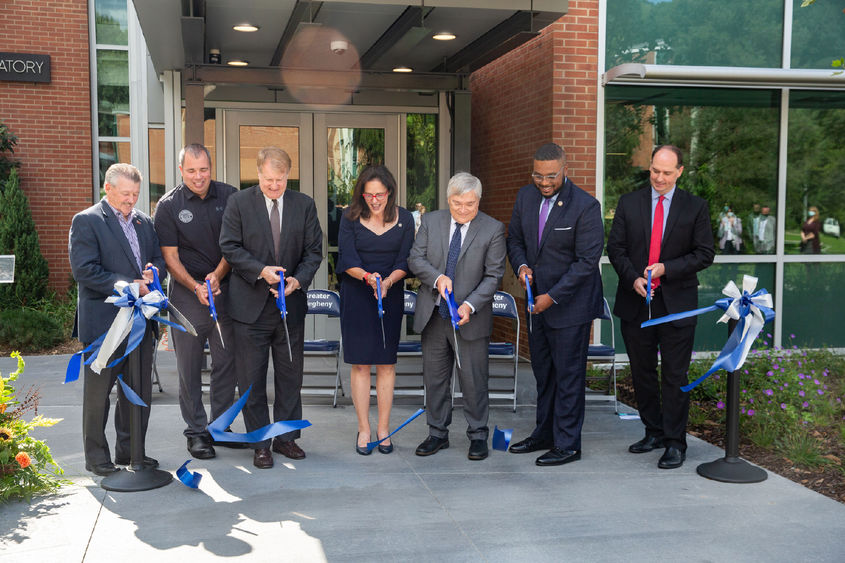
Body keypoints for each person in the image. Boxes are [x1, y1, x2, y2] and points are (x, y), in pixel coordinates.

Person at [606, 145, 714, 470]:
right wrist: (632, 279)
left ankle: (674, 443)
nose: (659, 178)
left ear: (680, 171)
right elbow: (616, 248)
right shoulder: (629, 202)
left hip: (677, 306)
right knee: (641, 374)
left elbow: (704, 253)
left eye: (667, 172)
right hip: (636, 301)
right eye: (655, 170)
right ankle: (652, 431)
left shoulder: (695, 207)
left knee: (674, 375)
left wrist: (666, 268)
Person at [219, 146, 323, 469]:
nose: (273, 186)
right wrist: (260, 270)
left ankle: (287, 439)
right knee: (251, 379)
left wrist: (299, 280)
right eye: (267, 180)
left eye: (279, 180)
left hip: (289, 306)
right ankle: (261, 443)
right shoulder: (239, 203)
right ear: (258, 173)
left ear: (287, 176)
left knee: (290, 376)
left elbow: (314, 251)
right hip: (249, 306)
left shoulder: (304, 205)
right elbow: (229, 246)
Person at [506, 143, 604, 467]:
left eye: (551, 176)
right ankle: (544, 434)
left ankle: (568, 444)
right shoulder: (525, 197)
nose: (544, 183)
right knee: (544, 374)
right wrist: (521, 268)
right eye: (538, 175)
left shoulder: (586, 206)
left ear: (565, 170)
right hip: (536, 305)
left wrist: (552, 297)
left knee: (568, 375)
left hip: (568, 307)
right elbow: (515, 240)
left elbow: (587, 262)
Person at [69, 163, 166, 476]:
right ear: (107, 188)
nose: (131, 200)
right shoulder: (86, 221)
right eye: (126, 193)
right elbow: (84, 270)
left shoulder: (144, 222)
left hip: (140, 324)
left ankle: (132, 452)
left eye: (135, 194)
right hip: (104, 325)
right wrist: (130, 284)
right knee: (99, 397)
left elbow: (158, 261)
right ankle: (97, 459)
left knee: (137, 395)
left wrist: (154, 273)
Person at [154, 143, 243, 460]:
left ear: (211, 167)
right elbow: (169, 257)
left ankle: (220, 427)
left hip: (224, 290)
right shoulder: (167, 206)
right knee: (188, 369)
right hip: (186, 294)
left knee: (226, 363)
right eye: (191, 170)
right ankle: (196, 433)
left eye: (203, 169)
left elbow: (234, 245)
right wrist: (196, 286)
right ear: (181, 170)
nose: (198, 176)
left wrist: (216, 276)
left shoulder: (231, 196)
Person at [408, 172, 506, 461]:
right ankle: (437, 433)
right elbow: (415, 259)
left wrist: (470, 306)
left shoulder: (493, 229)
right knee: (435, 379)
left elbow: (493, 276)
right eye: (457, 203)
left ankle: (478, 435)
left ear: (479, 201)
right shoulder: (430, 222)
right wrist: (438, 277)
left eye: (470, 204)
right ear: (447, 199)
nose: (463, 210)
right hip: (434, 315)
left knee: (473, 379)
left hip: (469, 319)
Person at [336, 166, 414, 455]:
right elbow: (346, 257)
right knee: (360, 364)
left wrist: (390, 281)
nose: (374, 200)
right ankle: (364, 428)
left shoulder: (404, 219)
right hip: (358, 293)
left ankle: (383, 429)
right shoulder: (350, 217)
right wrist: (369, 278)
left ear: (390, 192)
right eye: (368, 194)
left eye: (379, 194)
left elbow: (406, 259)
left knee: (386, 363)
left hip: (390, 294)